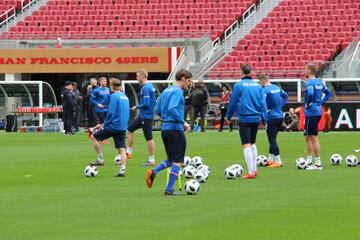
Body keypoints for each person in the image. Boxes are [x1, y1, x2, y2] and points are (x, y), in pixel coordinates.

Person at [146, 69, 191, 196]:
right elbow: (172, 108)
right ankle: (169, 189)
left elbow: (157, 109)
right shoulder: (178, 91)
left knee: (171, 159)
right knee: (177, 161)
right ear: (182, 79)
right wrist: (184, 122)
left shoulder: (166, 90)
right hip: (175, 129)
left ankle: (153, 172)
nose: (188, 83)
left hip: (165, 129)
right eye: (187, 80)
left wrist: (166, 118)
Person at [226, 64, 267, 179]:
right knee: (253, 143)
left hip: (244, 118)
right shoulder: (258, 86)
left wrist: (228, 116)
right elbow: (263, 103)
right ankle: (254, 169)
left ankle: (250, 172)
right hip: (256, 119)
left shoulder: (239, 85)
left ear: (241, 72)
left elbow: (233, 102)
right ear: (250, 72)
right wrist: (265, 119)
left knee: (246, 144)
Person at [89, 78, 130, 177]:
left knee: (94, 137)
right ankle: (122, 170)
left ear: (111, 86)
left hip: (112, 125)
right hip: (122, 126)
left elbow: (111, 113)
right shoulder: (125, 97)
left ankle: (100, 159)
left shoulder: (114, 97)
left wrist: (106, 124)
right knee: (122, 148)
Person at [303, 63, 332, 170]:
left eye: (305, 69)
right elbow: (328, 93)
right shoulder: (319, 82)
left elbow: (310, 93)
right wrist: (321, 103)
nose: (304, 71)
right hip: (316, 110)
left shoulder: (309, 82)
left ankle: (318, 164)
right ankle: (309, 161)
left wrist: (310, 103)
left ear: (310, 71)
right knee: (307, 136)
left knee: (313, 137)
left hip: (311, 112)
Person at [126, 69, 157, 166]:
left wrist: (137, 107)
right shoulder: (149, 86)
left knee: (149, 138)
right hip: (143, 115)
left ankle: (152, 160)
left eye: (137, 76)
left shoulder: (145, 88)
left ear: (143, 76)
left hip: (146, 116)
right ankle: (129, 152)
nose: (136, 78)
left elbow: (147, 104)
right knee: (130, 129)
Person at [259, 74, 288, 168]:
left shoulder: (265, 90)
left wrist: (264, 118)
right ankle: (270, 159)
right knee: (273, 138)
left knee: (272, 140)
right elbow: (285, 96)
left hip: (272, 117)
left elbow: (262, 104)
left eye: (260, 82)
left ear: (263, 81)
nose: (260, 84)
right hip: (280, 116)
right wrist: (280, 106)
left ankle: (278, 161)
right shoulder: (277, 87)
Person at [89, 77, 110, 143]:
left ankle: (92, 129)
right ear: (100, 82)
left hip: (106, 109)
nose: (105, 82)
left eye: (106, 81)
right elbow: (91, 100)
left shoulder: (108, 89)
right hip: (99, 110)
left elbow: (109, 98)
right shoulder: (97, 90)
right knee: (104, 124)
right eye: (104, 81)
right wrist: (97, 104)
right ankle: (102, 138)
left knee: (105, 123)